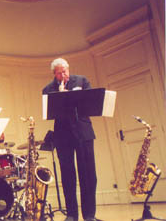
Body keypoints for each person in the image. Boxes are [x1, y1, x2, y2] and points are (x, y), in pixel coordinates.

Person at [42, 58, 98, 221]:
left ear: (68, 69)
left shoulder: (81, 81)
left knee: (88, 174)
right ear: (54, 74)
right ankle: (72, 214)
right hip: (63, 135)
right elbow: (48, 113)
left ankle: (89, 214)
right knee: (68, 175)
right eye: (59, 73)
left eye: (65, 71)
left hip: (83, 132)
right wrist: (60, 95)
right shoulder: (48, 89)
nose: (63, 75)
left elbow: (90, 103)